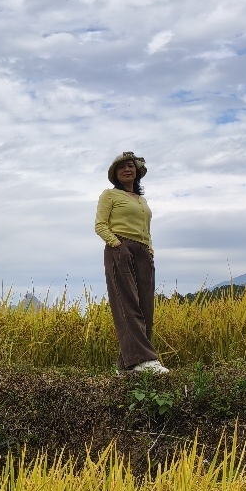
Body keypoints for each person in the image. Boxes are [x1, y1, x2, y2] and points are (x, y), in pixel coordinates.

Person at [95, 151, 168, 375]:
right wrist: (117, 245)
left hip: (144, 252)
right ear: (115, 174)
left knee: (146, 307)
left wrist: (150, 251)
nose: (127, 169)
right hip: (121, 248)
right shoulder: (109, 195)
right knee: (128, 305)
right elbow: (100, 225)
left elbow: (146, 229)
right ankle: (145, 360)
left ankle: (127, 366)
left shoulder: (142, 200)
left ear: (137, 171)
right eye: (121, 167)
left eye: (130, 166)